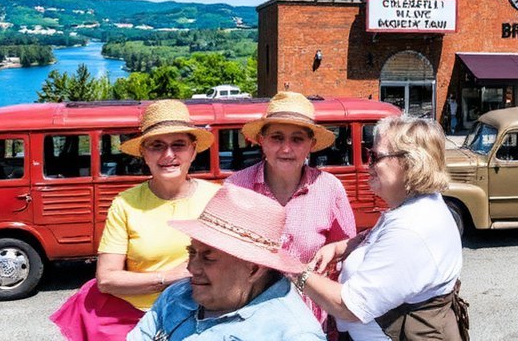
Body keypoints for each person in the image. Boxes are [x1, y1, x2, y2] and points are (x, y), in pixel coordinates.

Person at [51, 100, 220, 341]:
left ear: (193, 151)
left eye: (178, 145)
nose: (168, 155)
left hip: (203, 315)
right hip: (136, 317)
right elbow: (107, 279)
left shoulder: (217, 198)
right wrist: (167, 277)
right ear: (144, 153)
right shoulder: (125, 204)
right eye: (157, 145)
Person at [296, 115, 466, 341]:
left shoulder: (412, 227)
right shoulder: (417, 206)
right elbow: (381, 237)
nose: (369, 164)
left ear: (410, 162)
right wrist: (341, 247)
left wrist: (294, 271)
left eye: (375, 156)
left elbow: (349, 307)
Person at [226, 91, 356, 331]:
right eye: (277, 137)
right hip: (247, 319)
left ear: (311, 145)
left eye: (297, 139)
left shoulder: (329, 189)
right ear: (261, 140)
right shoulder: (236, 187)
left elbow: (347, 253)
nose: (286, 148)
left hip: (311, 320)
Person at [128, 184, 325, 341]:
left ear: (254, 269)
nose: (191, 268)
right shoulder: (177, 296)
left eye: (208, 257)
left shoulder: (291, 334)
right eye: (191, 252)